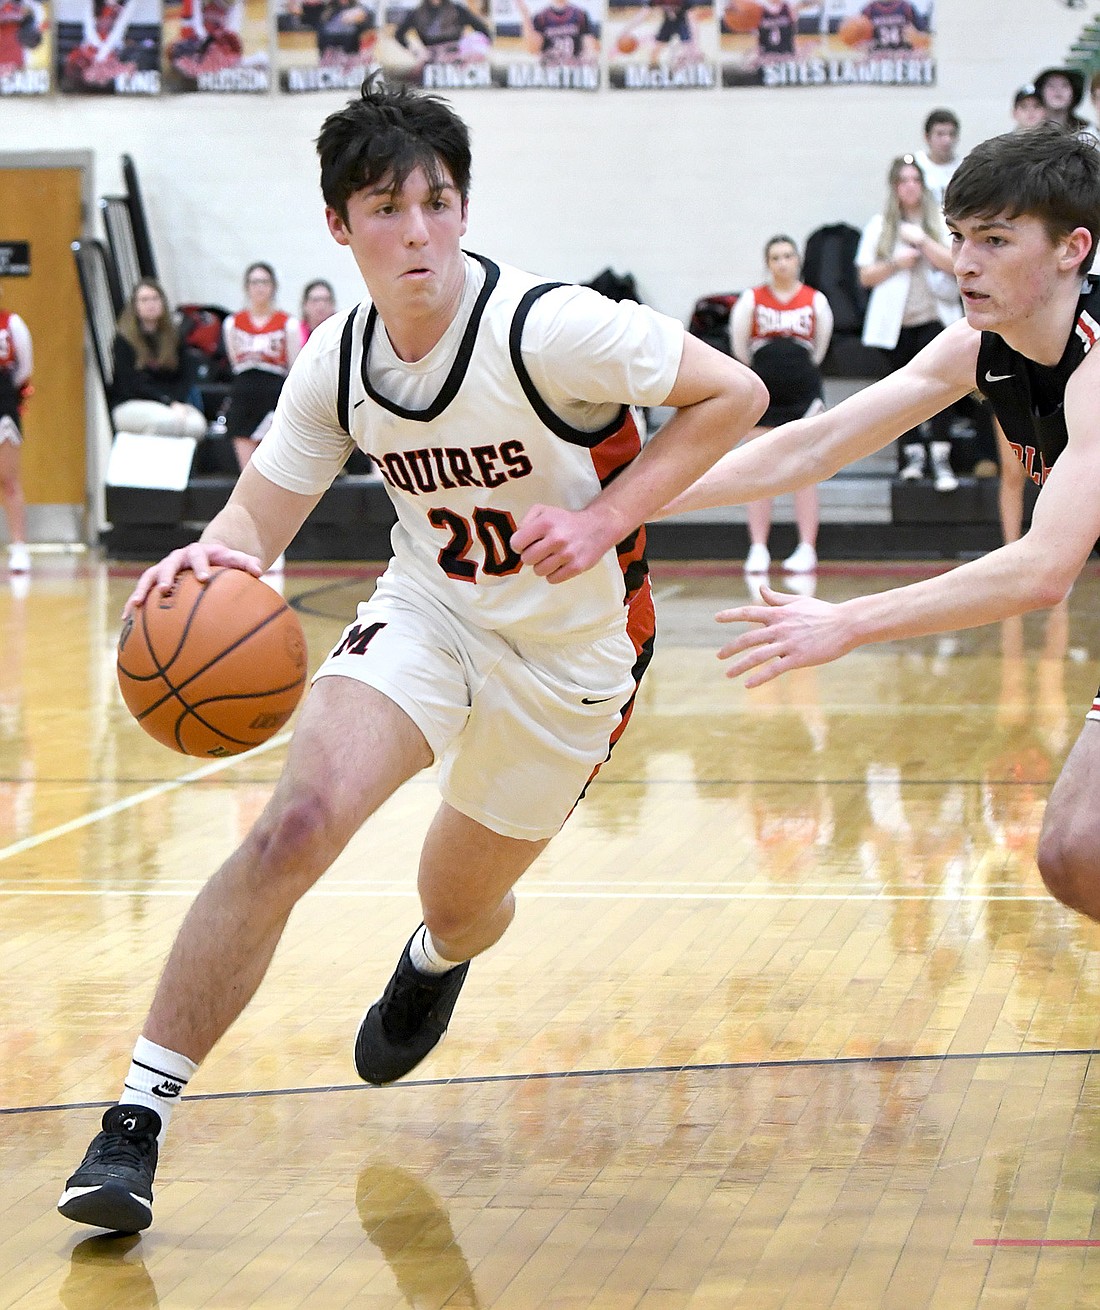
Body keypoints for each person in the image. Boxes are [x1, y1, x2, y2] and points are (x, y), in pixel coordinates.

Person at [56, 73, 766, 1237]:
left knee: (464, 898)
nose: (418, 229)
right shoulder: (338, 360)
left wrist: (600, 517)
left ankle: (436, 956)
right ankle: (133, 1120)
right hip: (428, 616)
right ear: (340, 226)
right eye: (386, 207)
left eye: (437, 200)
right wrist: (203, 562)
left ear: (465, 208)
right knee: (293, 824)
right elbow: (253, 530)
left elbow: (731, 394)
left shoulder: (551, 327)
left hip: (573, 658)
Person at [657, 125, 1100, 939]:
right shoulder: (983, 344)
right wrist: (626, 505)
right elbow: (813, 444)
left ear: (1074, 248)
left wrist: (849, 621)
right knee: (1076, 854)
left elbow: (1043, 570)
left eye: (996, 241)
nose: (964, 262)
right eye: (960, 236)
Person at [728, 234, 833, 575]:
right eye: (776, 257)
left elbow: (819, 348)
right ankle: (758, 548)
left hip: (803, 392)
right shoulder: (752, 299)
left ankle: (807, 548)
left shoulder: (815, 300)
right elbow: (740, 348)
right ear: (768, 263)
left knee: (805, 470)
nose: (783, 262)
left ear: (798, 260)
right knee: (758, 469)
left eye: (788, 256)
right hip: (764, 392)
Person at [856, 153, 961, 490]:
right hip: (898, 325)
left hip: (935, 319)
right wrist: (896, 263)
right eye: (903, 180)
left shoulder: (941, 222)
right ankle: (911, 457)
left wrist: (923, 242)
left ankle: (942, 458)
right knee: (902, 394)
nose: (910, 186)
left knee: (940, 390)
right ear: (894, 187)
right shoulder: (880, 226)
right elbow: (866, 276)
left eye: (916, 179)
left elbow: (954, 263)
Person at [223, 261, 300, 472]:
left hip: (273, 394)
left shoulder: (288, 324)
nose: (259, 287)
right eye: (254, 282)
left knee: (273, 468)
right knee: (247, 471)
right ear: (247, 287)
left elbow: (294, 366)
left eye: (265, 282)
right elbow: (235, 362)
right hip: (243, 395)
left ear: (273, 286)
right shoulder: (232, 322)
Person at [109, 280, 208, 440]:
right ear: (135, 305)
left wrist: (176, 401)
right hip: (132, 402)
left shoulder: (173, 337)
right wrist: (167, 402)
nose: (151, 304)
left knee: (197, 426)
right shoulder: (124, 340)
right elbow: (132, 383)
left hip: (169, 404)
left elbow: (183, 377)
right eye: (144, 300)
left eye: (155, 299)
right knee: (165, 422)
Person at [0, 289, 31, 575]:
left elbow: (24, 369)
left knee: (8, 480)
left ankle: (19, 547)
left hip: (3, 404)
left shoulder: (12, 323)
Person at [514, 0, 597, 64]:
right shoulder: (540, 17)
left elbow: (589, 45)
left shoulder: (580, 15)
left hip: (574, 68)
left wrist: (589, 57)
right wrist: (525, 15)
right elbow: (533, 49)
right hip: (550, 69)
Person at [913, 107, 960, 208]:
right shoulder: (915, 166)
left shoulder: (962, 169)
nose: (947, 140)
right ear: (927, 137)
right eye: (940, 134)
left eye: (951, 134)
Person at [1034, 66, 1088, 133]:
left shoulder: (1087, 131)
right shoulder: (1031, 130)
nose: (1058, 90)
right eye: (1051, 85)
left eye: (1064, 85)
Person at [299, 278, 337, 344]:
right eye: (316, 300)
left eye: (326, 300)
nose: (321, 305)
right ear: (305, 305)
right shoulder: (296, 333)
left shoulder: (341, 332)